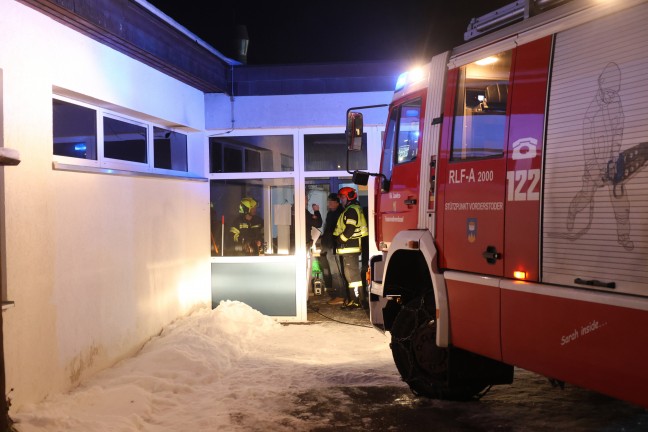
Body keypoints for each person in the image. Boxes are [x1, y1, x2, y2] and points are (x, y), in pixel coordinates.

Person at [333, 187, 368, 309]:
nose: (341, 200)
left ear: (349, 197)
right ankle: (355, 299)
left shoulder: (351, 210)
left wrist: (340, 240)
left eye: (342, 197)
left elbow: (350, 229)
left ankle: (356, 300)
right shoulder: (351, 209)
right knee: (351, 276)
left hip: (350, 248)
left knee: (352, 276)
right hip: (350, 248)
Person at [319, 193, 346, 305]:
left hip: (334, 247)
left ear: (337, 202)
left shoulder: (339, 214)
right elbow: (327, 230)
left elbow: (333, 231)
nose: (329, 204)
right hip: (330, 246)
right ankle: (339, 295)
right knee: (334, 272)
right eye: (328, 201)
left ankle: (340, 296)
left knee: (336, 272)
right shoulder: (331, 213)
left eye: (331, 202)